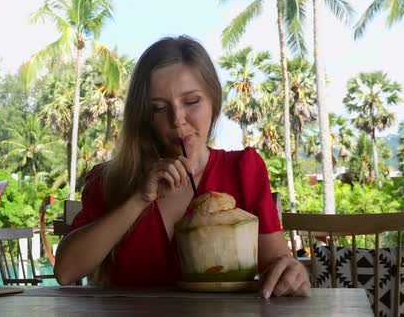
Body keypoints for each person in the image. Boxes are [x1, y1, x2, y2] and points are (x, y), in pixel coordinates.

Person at [53, 35, 310, 298]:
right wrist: (139, 199)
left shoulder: (243, 170)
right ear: (144, 116)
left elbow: (277, 267)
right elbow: (66, 271)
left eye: (191, 102)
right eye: (159, 108)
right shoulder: (111, 180)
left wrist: (290, 271)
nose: (178, 120)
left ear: (214, 100)